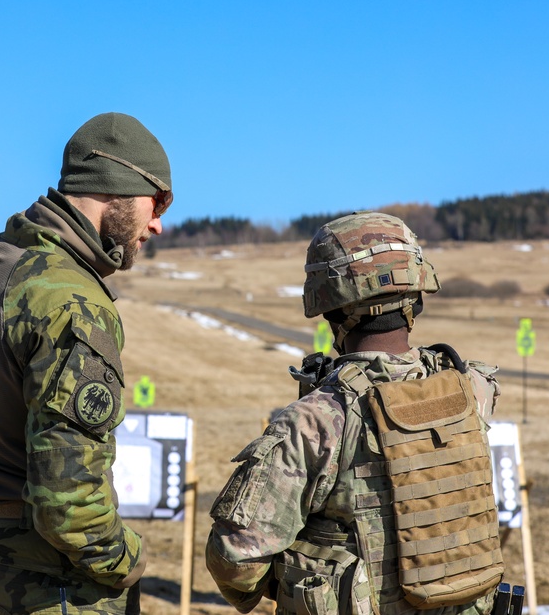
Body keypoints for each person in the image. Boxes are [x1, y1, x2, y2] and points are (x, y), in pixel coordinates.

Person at [0, 112, 174, 615]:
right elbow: (70, 504)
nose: (157, 224)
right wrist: (126, 561)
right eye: (157, 202)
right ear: (117, 190)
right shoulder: (70, 300)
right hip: (47, 579)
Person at [206, 211, 503, 615]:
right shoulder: (474, 391)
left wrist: (299, 579)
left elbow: (235, 561)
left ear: (328, 305)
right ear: (416, 294)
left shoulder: (315, 421)